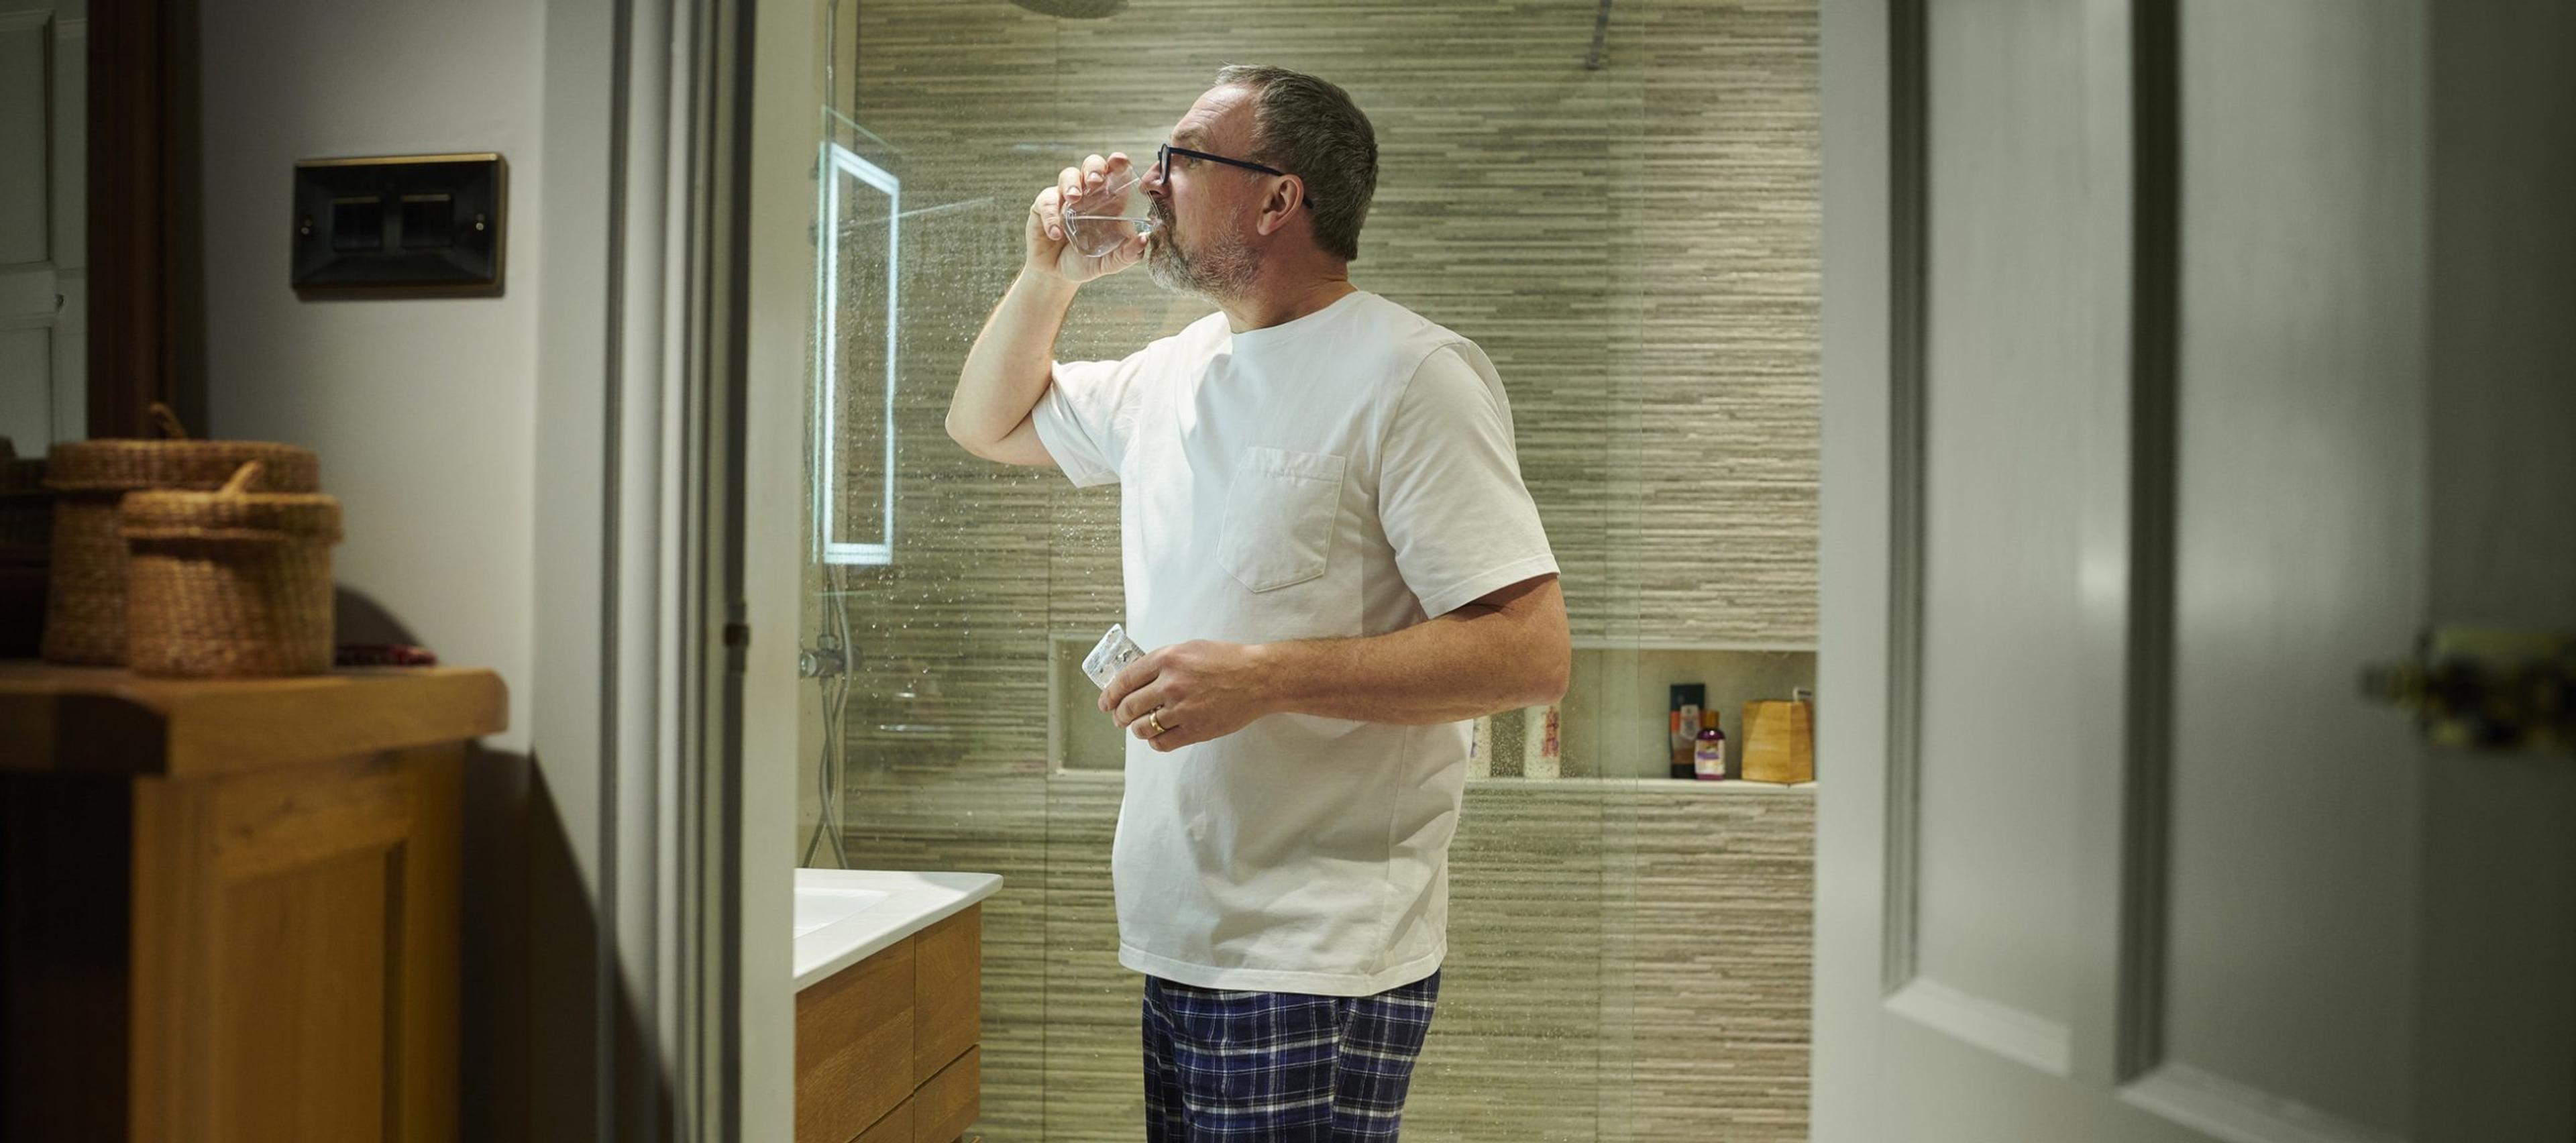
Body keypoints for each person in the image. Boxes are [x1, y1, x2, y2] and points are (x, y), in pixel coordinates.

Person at [944, 64, 1569, 1141]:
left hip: (1315, 947)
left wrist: (1267, 678)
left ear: (1280, 199)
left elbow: (1528, 655)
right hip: (1180, 926)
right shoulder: (1173, 371)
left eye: (1186, 154)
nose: (1152, 176)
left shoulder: (1414, 373)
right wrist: (1049, 276)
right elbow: (985, 425)